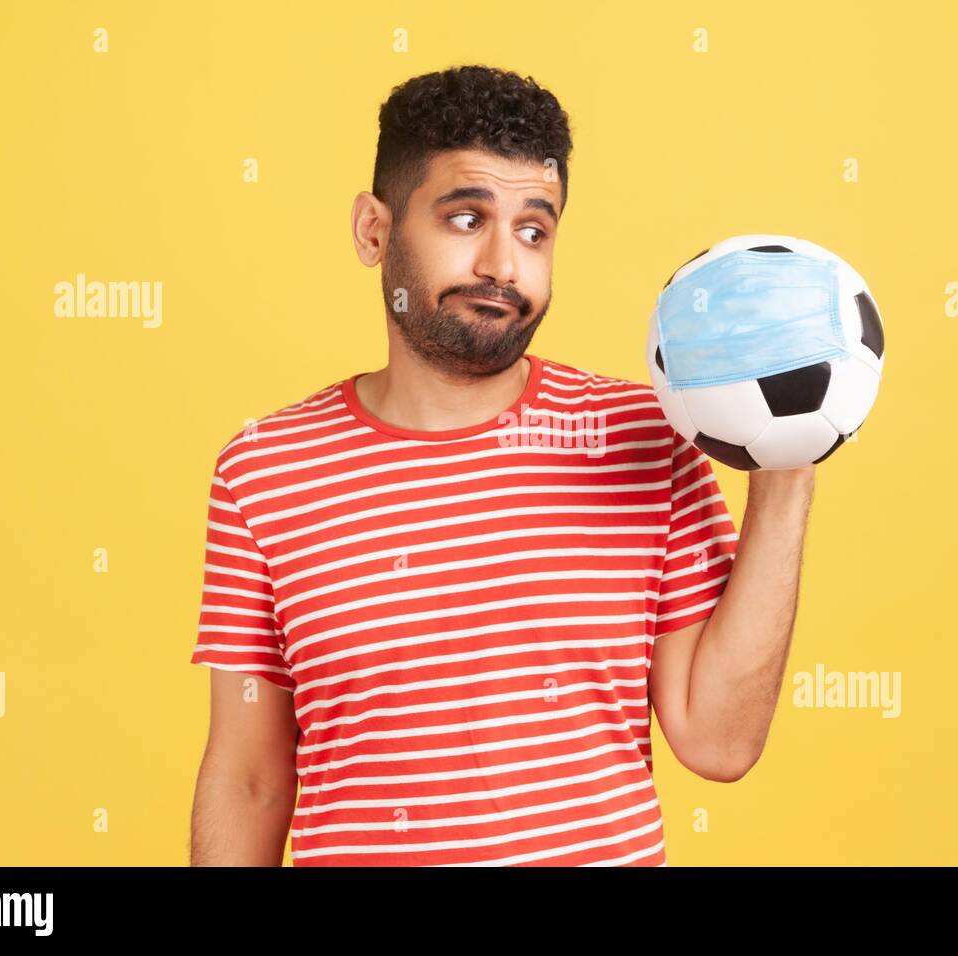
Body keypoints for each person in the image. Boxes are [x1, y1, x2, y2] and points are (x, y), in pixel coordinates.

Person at [189, 64, 815, 866]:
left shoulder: (643, 440)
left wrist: (788, 463)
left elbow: (720, 742)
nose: (503, 267)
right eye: (464, 218)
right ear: (373, 232)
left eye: (533, 230)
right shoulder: (265, 470)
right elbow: (247, 777)